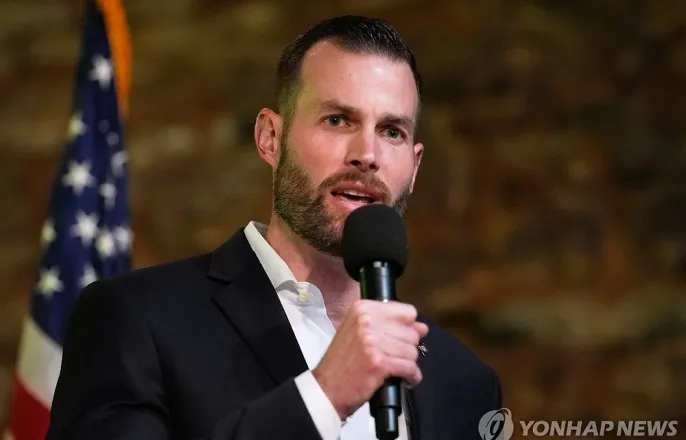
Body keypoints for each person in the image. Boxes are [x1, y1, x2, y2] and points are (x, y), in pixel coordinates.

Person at [46, 15, 502, 440]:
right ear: (270, 137)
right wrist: (323, 396)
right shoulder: (137, 321)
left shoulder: (464, 381)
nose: (367, 154)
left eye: (392, 131)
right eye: (338, 120)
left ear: (415, 166)